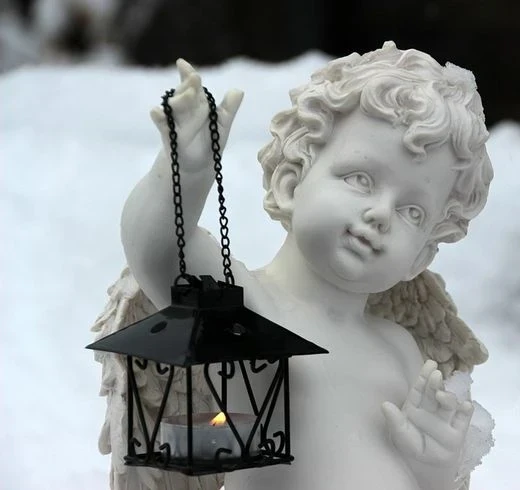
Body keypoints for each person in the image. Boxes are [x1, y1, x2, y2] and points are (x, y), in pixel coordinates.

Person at [119, 41, 493, 490]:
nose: (381, 214)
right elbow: (159, 251)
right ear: (291, 180)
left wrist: (433, 468)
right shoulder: (246, 305)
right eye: (361, 179)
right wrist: (183, 175)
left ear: (423, 254)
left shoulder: (400, 349)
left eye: (412, 211)